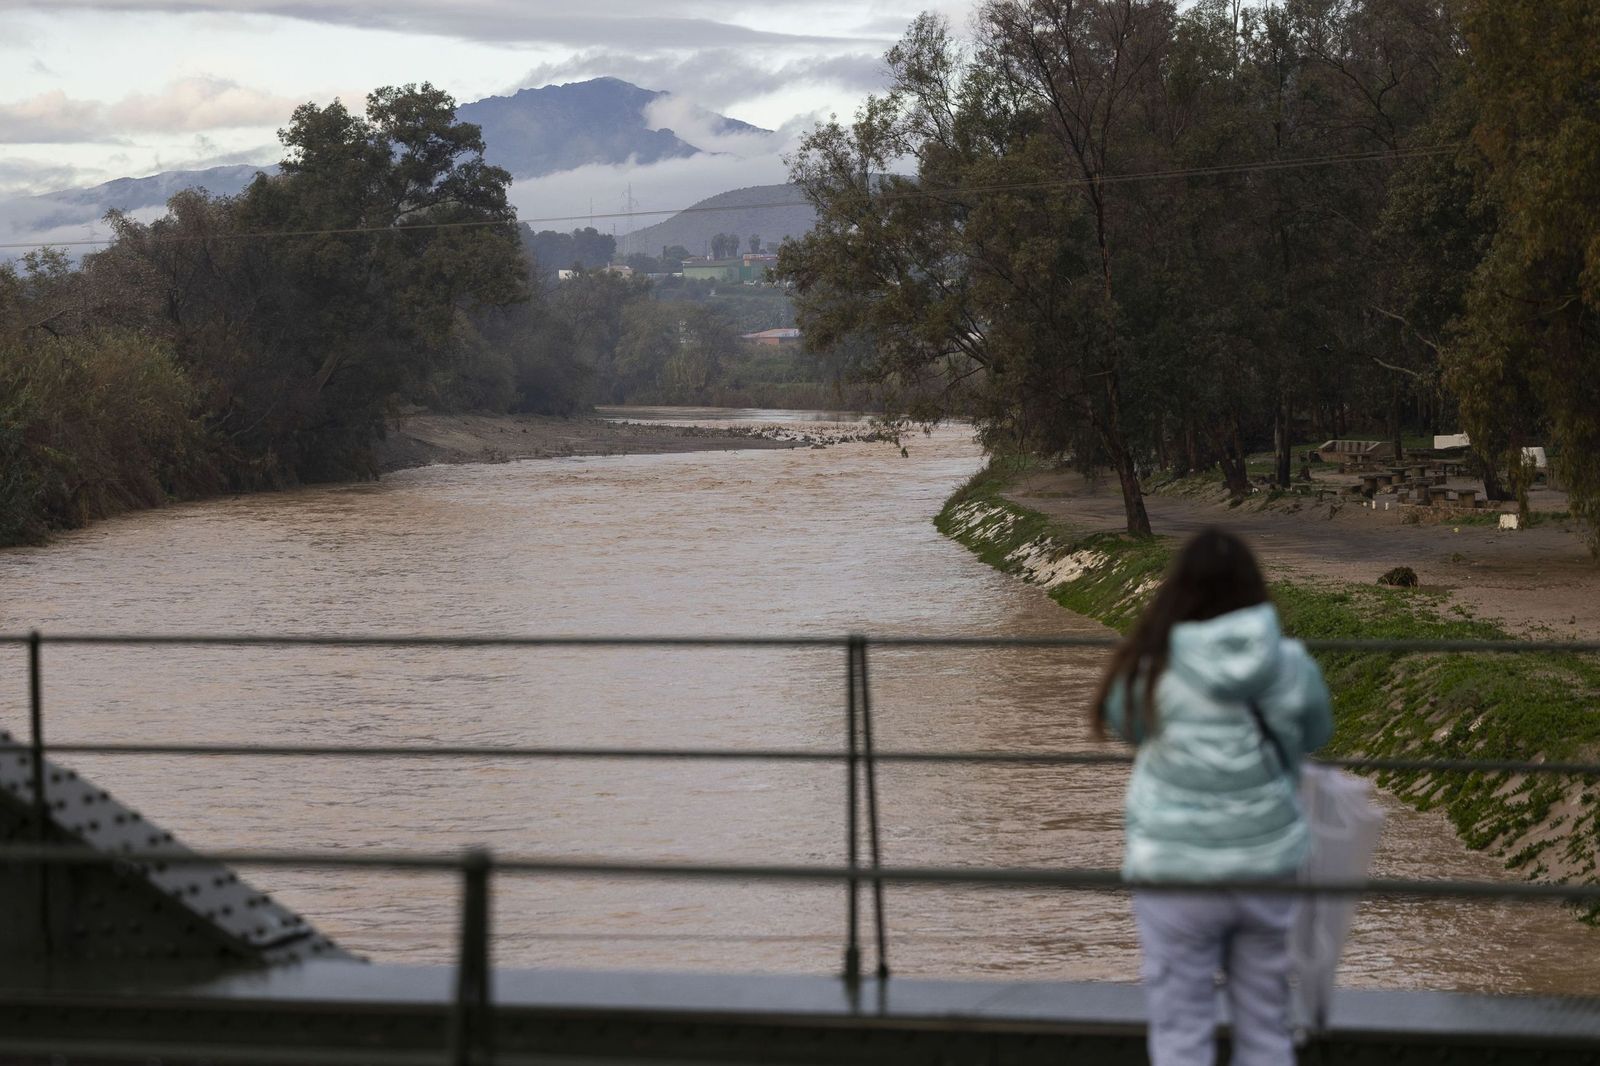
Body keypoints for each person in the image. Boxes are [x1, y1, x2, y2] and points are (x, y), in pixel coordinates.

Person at [1092, 527, 1333, 1066]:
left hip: (1174, 872)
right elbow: (1317, 734)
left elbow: (1121, 723)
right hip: (1268, 867)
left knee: (1181, 1031)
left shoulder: (1154, 665)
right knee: (1268, 1026)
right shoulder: (1291, 664)